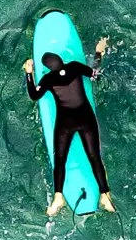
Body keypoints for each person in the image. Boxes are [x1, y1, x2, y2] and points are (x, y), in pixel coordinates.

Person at [24, 39, 116, 218]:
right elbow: (95, 74)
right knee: (94, 157)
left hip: (65, 123)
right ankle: (105, 195)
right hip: (86, 118)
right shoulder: (75, 67)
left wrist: (29, 73)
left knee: (60, 159)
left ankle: (58, 197)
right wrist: (98, 53)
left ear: (49, 68)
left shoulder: (48, 79)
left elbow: (34, 95)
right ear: (62, 61)